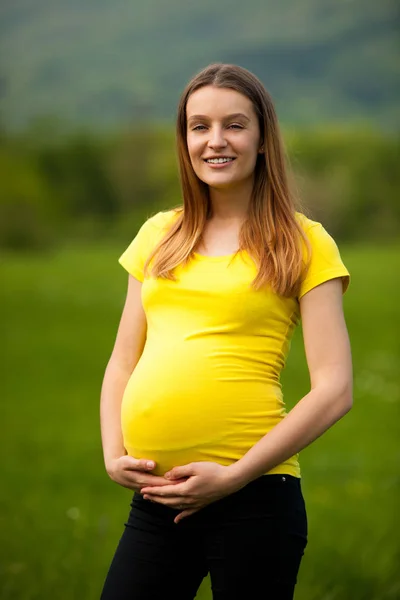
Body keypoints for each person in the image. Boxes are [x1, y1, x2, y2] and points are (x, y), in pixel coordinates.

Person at [100, 63, 352, 600]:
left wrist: (233, 477)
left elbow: (335, 389)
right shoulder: (158, 235)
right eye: (199, 126)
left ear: (263, 139)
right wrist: (111, 449)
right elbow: (124, 359)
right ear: (184, 138)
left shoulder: (304, 243)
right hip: (159, 500)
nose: (216, 141)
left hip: (257, 499)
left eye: (235, 125)